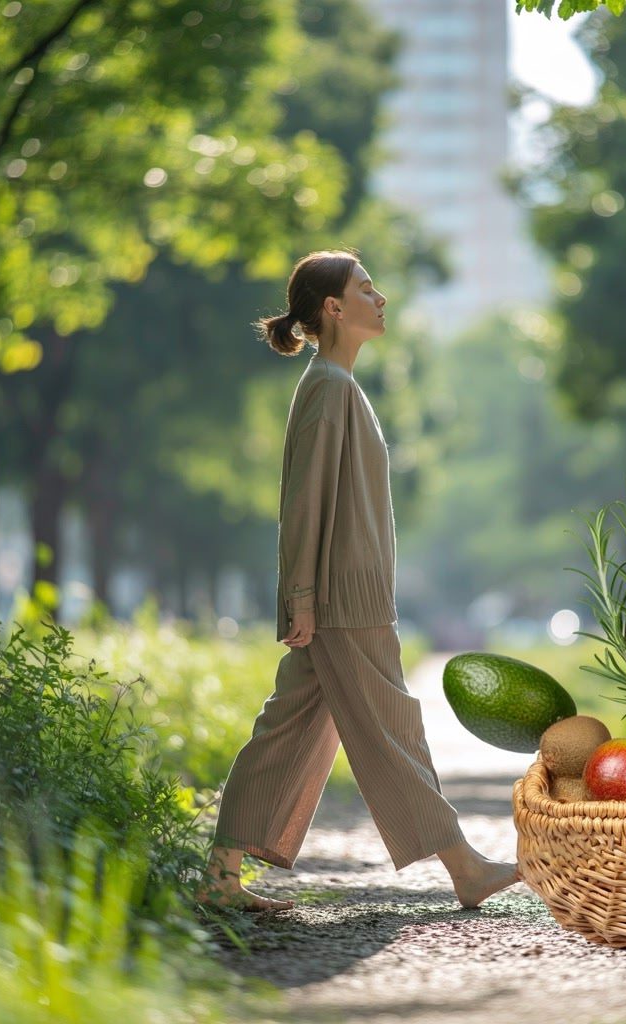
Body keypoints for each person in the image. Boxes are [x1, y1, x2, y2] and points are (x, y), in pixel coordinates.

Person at [196, 249, 520, 913]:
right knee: (394, 732)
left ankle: (220, 879)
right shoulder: (329, 389)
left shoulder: (338, 386)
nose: (382, 299)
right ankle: (465, 867)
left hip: (348, 598)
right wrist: (303, 600)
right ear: (334, 308)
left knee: (285, 731)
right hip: (345, 603)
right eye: (367, 289)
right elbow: (303, 503)